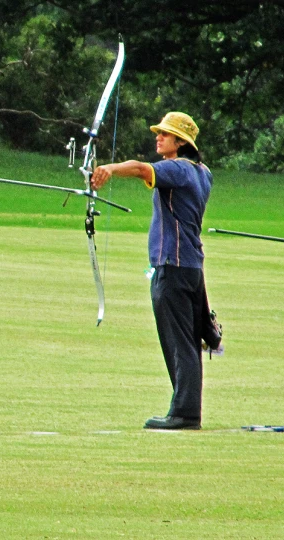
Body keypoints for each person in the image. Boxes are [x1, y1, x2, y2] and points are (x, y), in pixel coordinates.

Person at [90, 111, 214, 430]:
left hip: (172, 265)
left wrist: (109, 169)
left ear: (180, 142)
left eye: (165, 134)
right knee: (187, 339)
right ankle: (186, 408)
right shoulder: (203, 172)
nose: (158, 137)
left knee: (179, 341)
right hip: (190, 265)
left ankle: (185, 412)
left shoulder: (177, 169)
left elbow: (141, 169)